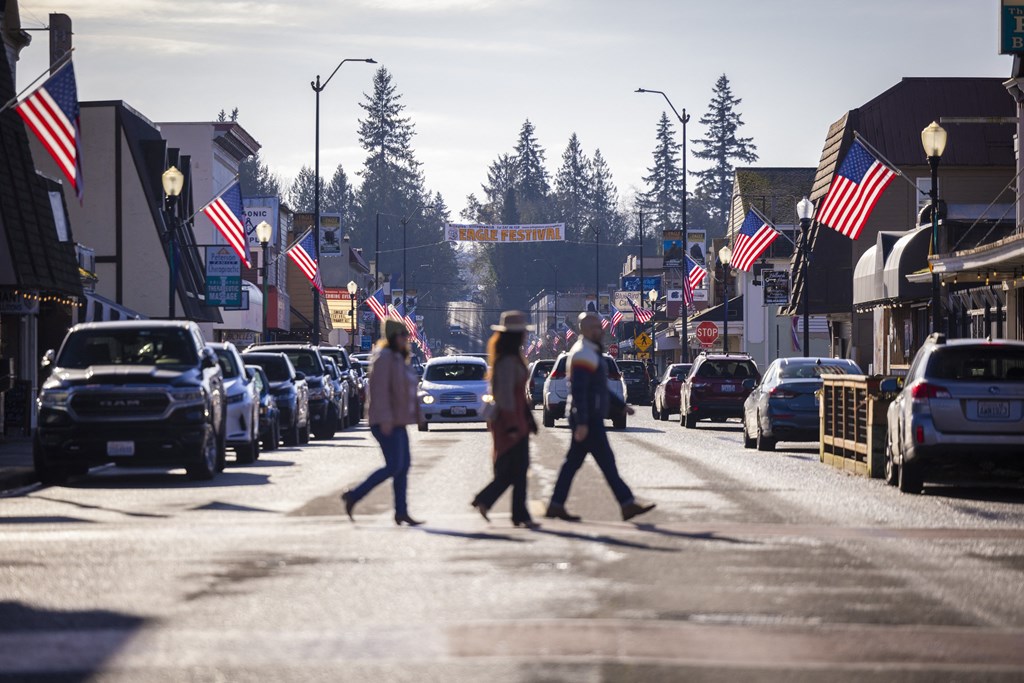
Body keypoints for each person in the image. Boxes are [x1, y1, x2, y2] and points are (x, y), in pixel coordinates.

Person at [546, 312, 656, 522]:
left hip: (589, 415)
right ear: (585, 330)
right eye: (596, 327)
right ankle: (626, 504)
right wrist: (583, 421)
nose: (601, 330)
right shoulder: (582, 354)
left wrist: (620, 405)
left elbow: (599, 387)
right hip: (587, 416)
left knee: (576, 463)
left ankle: (556, 504)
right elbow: (580, 391)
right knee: (604, 462)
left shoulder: (590, 351)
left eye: (600, 326)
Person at [341, 317, 423, 526]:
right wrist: (386, 420)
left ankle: (401, 512)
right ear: (395, 337)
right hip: (385, 421)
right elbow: (379, 392)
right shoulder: (385, 358)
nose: (408, 339)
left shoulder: (398, 358)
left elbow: (407, 390)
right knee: (394, 466)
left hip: (398, 421)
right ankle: (354, 496)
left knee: (403, 467)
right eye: (404, 335)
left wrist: (418, 414)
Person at [471, 311, 539, 529]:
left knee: (517, 468)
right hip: (508, 420)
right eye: (521, 333)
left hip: (518, 417)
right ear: (513, 336)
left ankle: (513, 511)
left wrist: (529, 418)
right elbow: (506, 396)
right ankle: (497, 504)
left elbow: (520, 395)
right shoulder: (507, 362)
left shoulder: (512, 358)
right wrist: (512, 424)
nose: (524, 337)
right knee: (513, 469)